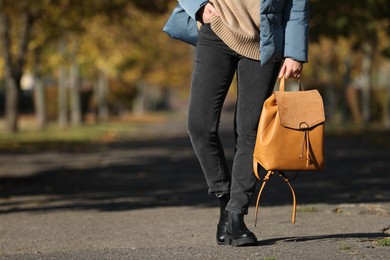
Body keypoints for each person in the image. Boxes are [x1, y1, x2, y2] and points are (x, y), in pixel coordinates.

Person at [178, 0, 309, 247]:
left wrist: (294, 52)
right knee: (199, 125)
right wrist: (198, 5)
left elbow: (298, 5)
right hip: (216, 29)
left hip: (264, 41)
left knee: (250, 130)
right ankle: (224, 197)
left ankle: (236, 214)